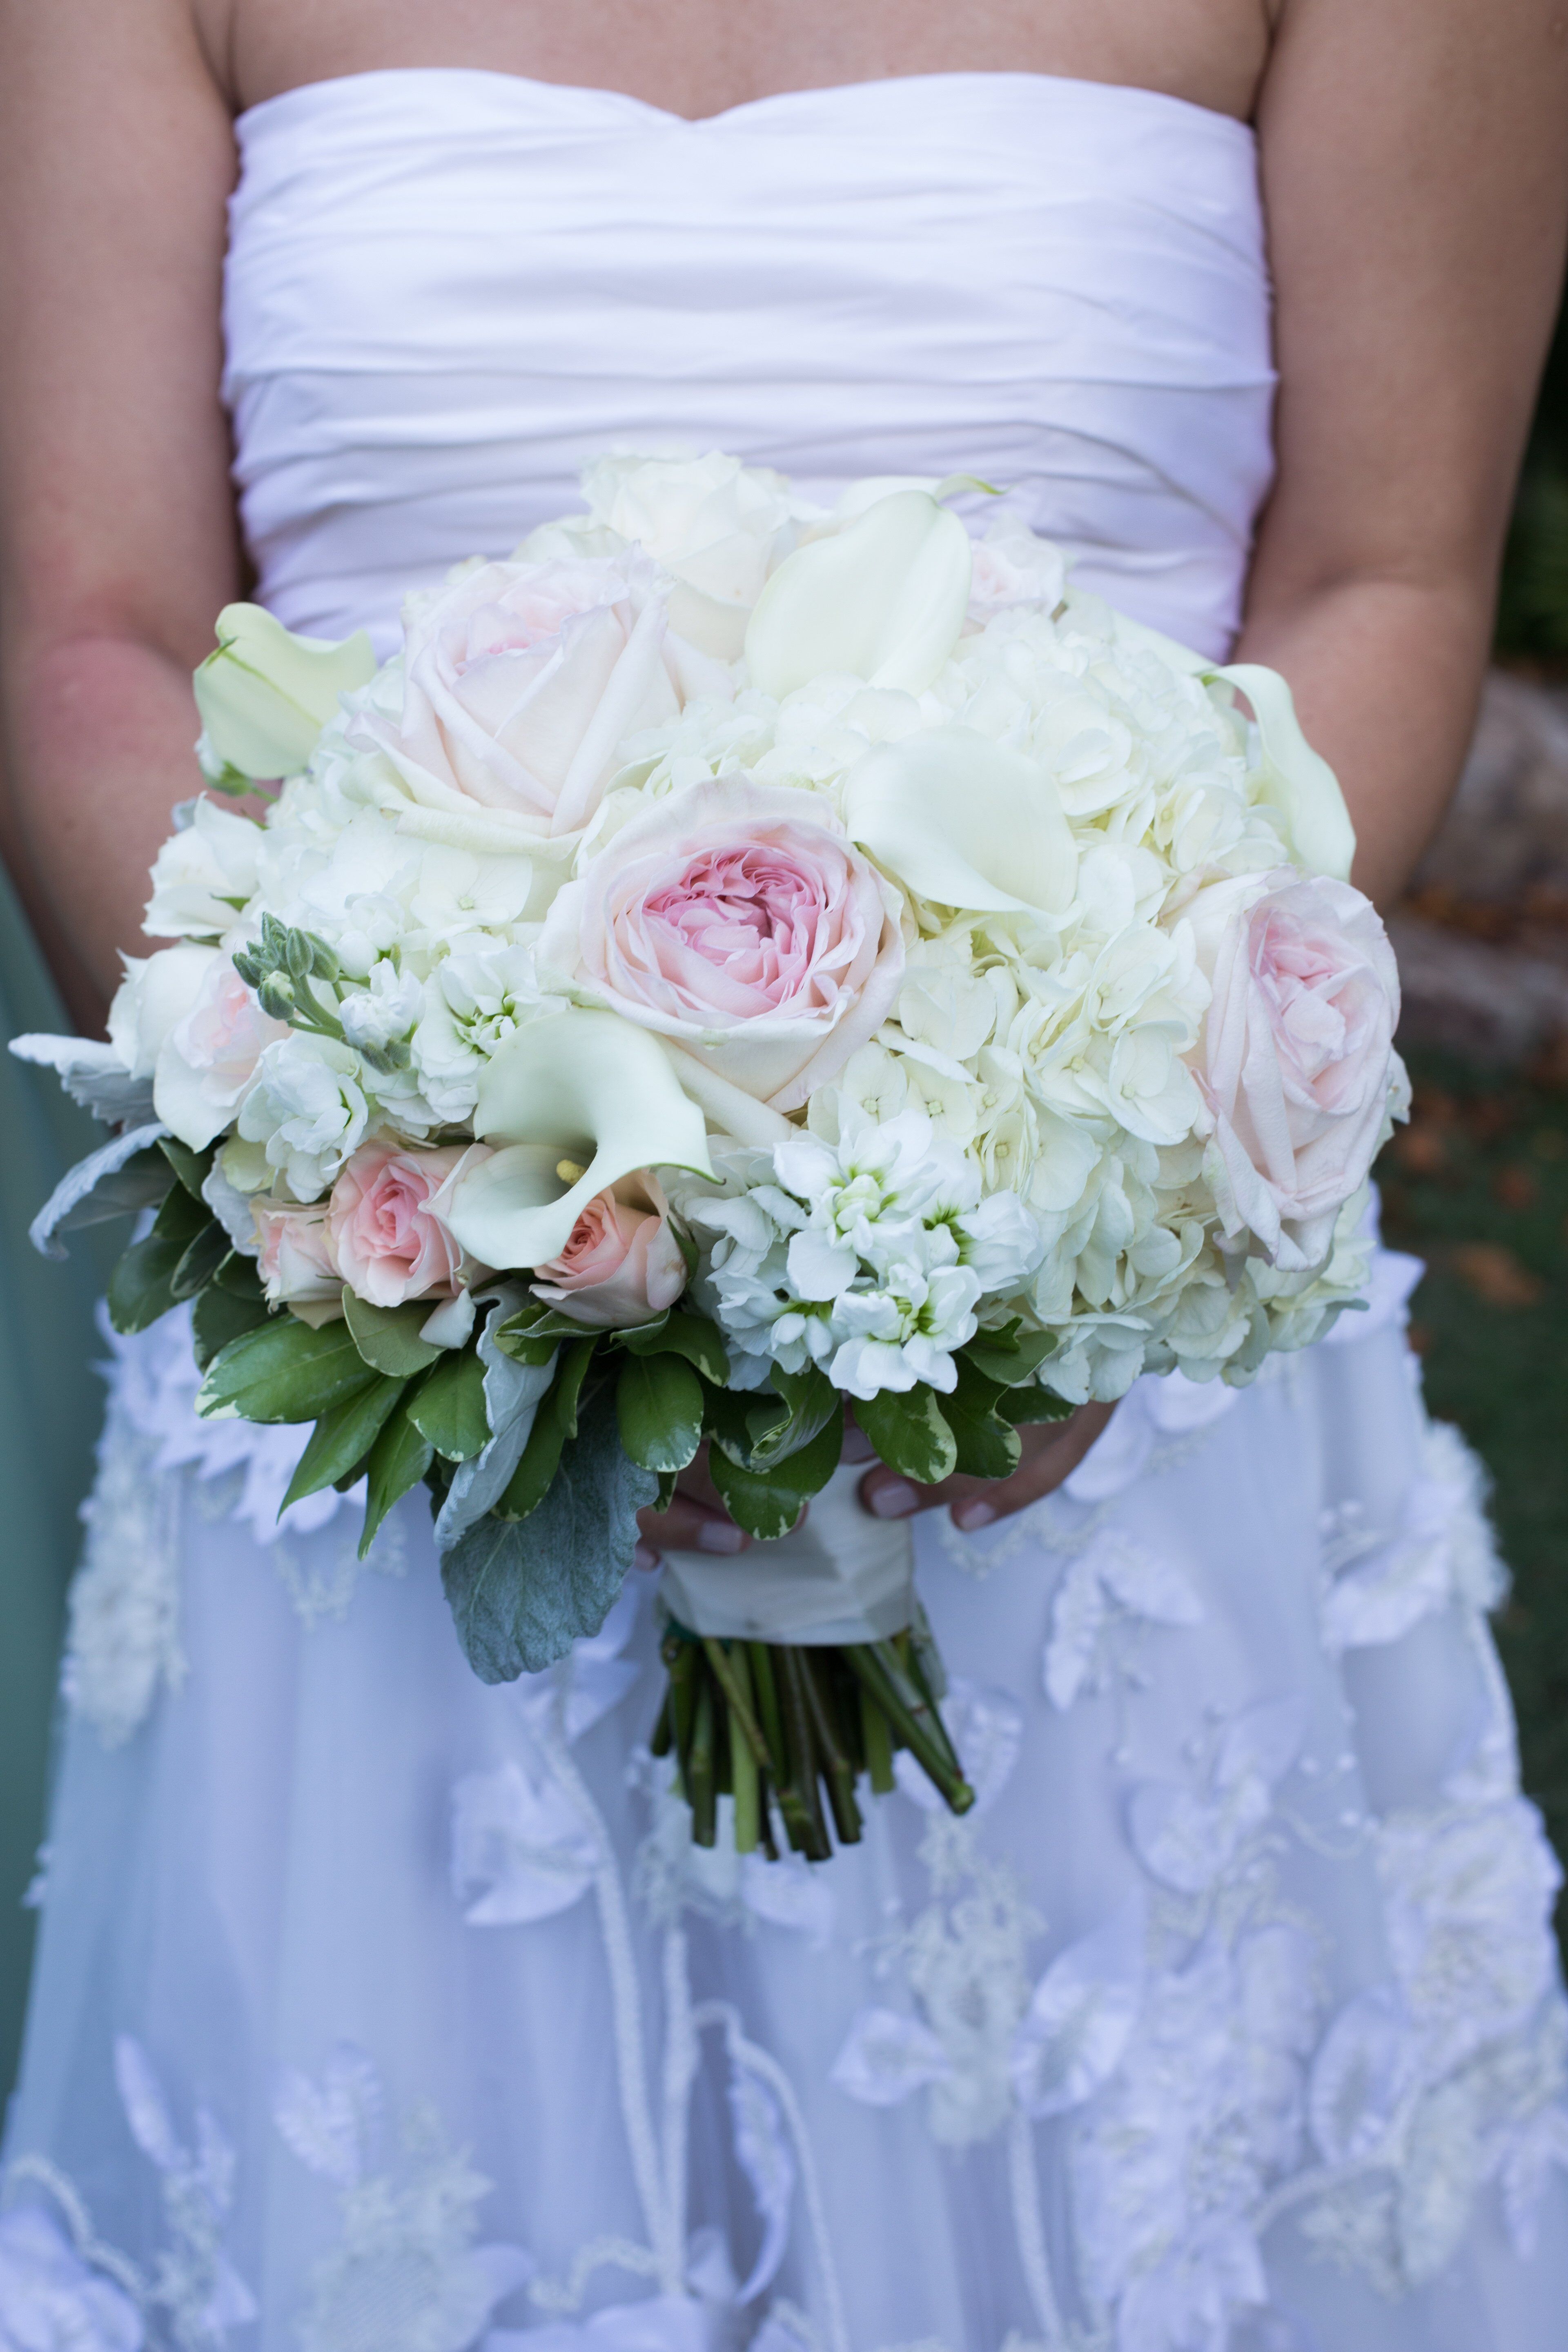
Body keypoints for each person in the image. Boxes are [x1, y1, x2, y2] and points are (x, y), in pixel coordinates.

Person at [1, 2, 1566, 2344]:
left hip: (1111, 1398)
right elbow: (92, 638)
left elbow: (1383, 574)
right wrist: (401, 1201)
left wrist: (1087, 1221)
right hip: (385, 1372)